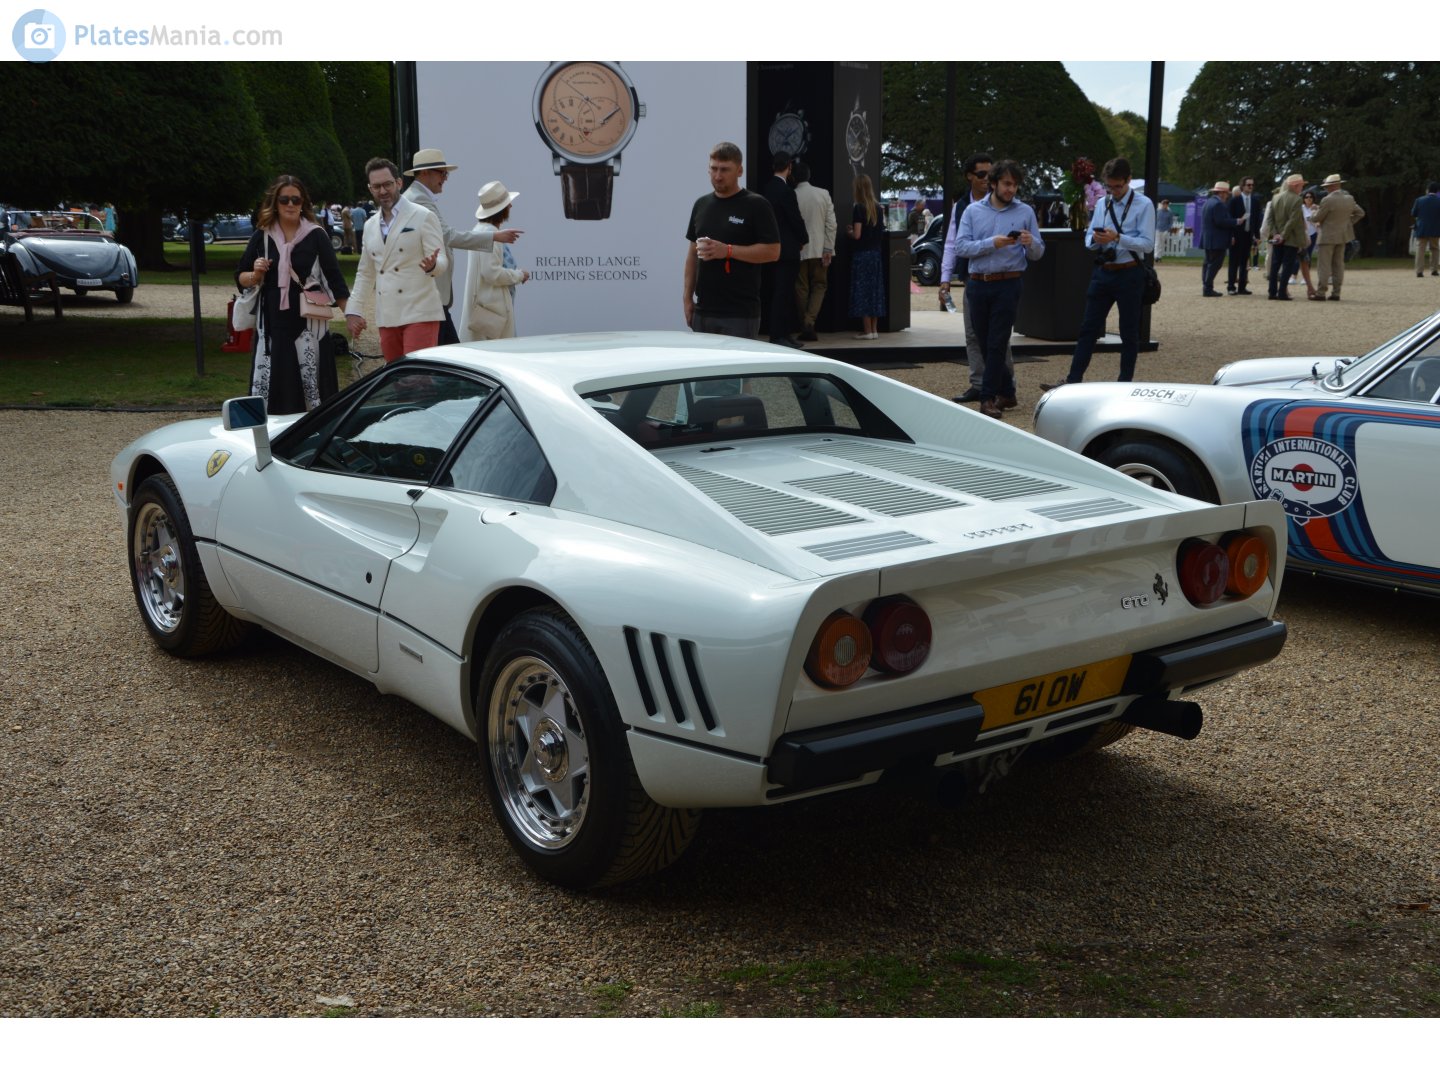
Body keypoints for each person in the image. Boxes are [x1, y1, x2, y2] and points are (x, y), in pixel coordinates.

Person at [235, 174, 350, 413]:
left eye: (296, 200)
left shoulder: (316, 235)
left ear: (303, 203)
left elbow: (335, 279)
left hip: (308, 323)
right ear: (275, 203)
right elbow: (240, 277)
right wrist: (255, 274)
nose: (290, 205)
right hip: (272, 323)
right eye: (284, 199)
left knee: (311, 392)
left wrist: (352, 315)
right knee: (273, 389)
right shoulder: (262, 235)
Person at [1042, 157, 1154, 389]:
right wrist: (1094, 239)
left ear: (1129, 180)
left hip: (1130, 273)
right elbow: (1088, 237)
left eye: (1118, 187)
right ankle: (1072, 380)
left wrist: (1118, 238)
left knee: (1129, 332)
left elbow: (1147, 245)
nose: (1114, 192)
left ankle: (1124, 384)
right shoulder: (1103, 203)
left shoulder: (1144, 205)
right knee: (1088, 329)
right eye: (1109, 187)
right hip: (1104, 271)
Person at [954, 159, 1044, 419]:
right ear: (992, 184)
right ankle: (1007, 391)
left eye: (1014, 185)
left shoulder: (1025, 211)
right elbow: (961, 247)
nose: (1011, 190)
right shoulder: (972, 211)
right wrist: (992, 243)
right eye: (1006, 184)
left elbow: (1039, 252)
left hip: (1009, 283)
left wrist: (1030, 242)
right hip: (978, 284)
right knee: (983, 343)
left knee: (996, 343)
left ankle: (987, 398)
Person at [402, 148, 519, 344]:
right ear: (424, 173)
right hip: (429, 296)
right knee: (444, 357)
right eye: (442, 172)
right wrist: (493, 238)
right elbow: (447, 235)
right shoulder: (419, 199)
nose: (446, 178)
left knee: (447, 355)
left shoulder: (416, 197)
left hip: (431, 296)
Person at [344, 156, 447, 362]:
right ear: (370, 188)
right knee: (395, 383)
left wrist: (433, 265)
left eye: (387, 184)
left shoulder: (423, 215)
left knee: (418, 380)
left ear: (399, 183)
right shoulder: (370, 225)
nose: (383, 191)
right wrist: (353, 310)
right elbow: (365, 272)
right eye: (377, 186)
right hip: (388, 315)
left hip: (420, 312)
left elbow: (442, 260)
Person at [683, 141, 779, 338]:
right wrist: (687, 299)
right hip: (704, 310)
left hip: (740, 313)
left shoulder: (756, 205)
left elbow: (773, 251)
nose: (718, 176)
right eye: (714, 169)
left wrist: (727, 250)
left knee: (737, 370)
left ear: (740, 170)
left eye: (725, 170)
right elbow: (692, 255)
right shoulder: (701, 204)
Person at [939, 153, 1014, 404]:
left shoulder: (1007, 204)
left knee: (998, 336)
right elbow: (951, 244)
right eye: (981, 174)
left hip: (1002, 278)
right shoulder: (961, 207)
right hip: (973, 277)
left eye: (990, 174)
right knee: (973, 334)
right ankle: (979, 383)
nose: (987, 179)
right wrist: (945, 279)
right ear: (969, 176)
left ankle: (1004, 386)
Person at [463, 182, 529, 341]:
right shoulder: (490, 234)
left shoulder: (480, 230)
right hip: (492, 310)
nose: (511, 206)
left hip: (486, 308)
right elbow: (491, 273)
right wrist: (519, 275)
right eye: (507, 204)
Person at [760, 151, 809, 348]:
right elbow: (795, 219)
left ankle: (781, 334)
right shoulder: (787, 192)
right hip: (787, 250)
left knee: (775, 292)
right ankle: (780, 335)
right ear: (789, 167)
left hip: (769, 248)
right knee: (785, 293)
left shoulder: (765, 190)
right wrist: (803, 238)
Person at [791, 160, 836, 342]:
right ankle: (809, 322)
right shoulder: (823, 194)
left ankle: (806, 324)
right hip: (820, 249)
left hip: (799, 249)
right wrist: (828, 248)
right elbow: (831, 224)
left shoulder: (792, 195)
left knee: (800, 288)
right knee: (819, 286)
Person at [1311, 174, 1365, 301]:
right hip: (1343, 235)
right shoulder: (1349, 198)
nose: (1326, 189)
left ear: (1333, 186)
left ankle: (1321, 292)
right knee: (1338, 265)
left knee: (1324, 265)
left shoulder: (1327, 200)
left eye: (1328, 187)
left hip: (1327, 236)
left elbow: (1317, 218)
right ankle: (1336, 292)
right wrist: (1348, 223)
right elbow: (1360, 213)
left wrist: (1314, 211)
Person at [848, 173, 887, 341]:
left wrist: (849, 231)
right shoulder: (878, 208)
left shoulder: (858, 208)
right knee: (875, 291)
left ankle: (867, 330)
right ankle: (875, 329)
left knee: (863, 292)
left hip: (862, 255)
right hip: (876, 255)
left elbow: (857, 235)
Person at [1266, 173, 1306, 301]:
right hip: (1291, 238)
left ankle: (1272, 292)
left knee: (1275, 265)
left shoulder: (1275, 197)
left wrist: (1276, 234)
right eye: (1301, 185)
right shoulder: (1297, 199)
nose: (1302, 188)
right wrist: (1283, 235)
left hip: (1277, 237)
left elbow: (1270, 219)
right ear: (1295, 186)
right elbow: (1293, 221)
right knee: (1287, 266)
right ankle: (1282, 292)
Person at [1199, 181, 1237, 296]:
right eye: (1226, 193)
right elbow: (1220, 221)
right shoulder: (1219, 204)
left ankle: (1206, 286)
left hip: (1208, 238)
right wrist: (1236, 221)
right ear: (1221, 193)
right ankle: (1208, 287)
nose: (1227, 196)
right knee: (1215, 264)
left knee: (1208, 263)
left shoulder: (1208, 203)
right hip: (1217, 239)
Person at [1227, 177, 1261, 294]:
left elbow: (1256, 220)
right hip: (1236, 235)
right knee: (1233, 262)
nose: (1251, 187)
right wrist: (1231, 235)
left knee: (1244, 262)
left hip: (1248, 235)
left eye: (1252, 185)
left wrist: (1257, 236)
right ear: (1242, 186)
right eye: (1248, 185)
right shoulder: (1234, 201)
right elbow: (1229, 219)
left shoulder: (1255, 201)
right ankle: (1231, 287)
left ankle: (1242, 287)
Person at [1411, 181, 1440, 277]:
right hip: (1436, 228)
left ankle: (1419, 271)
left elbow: (1413, 213)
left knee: (1420, 249)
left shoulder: (1419, 200)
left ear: (1427, 190)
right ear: (1437, 191)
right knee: (1435, 249)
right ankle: (1434, 270)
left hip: (1422, 228)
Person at [1298, 190, 1320, 298]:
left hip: (1313, 234)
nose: (1309, 198)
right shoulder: (1301, 208)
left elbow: (1319, 220)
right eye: (1306, 197)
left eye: (1311, 197)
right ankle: (1294, 275)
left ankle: (1305, 278)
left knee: (1308, 256)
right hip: (1303, 235)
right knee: (1301, 255)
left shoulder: (1316, 208)